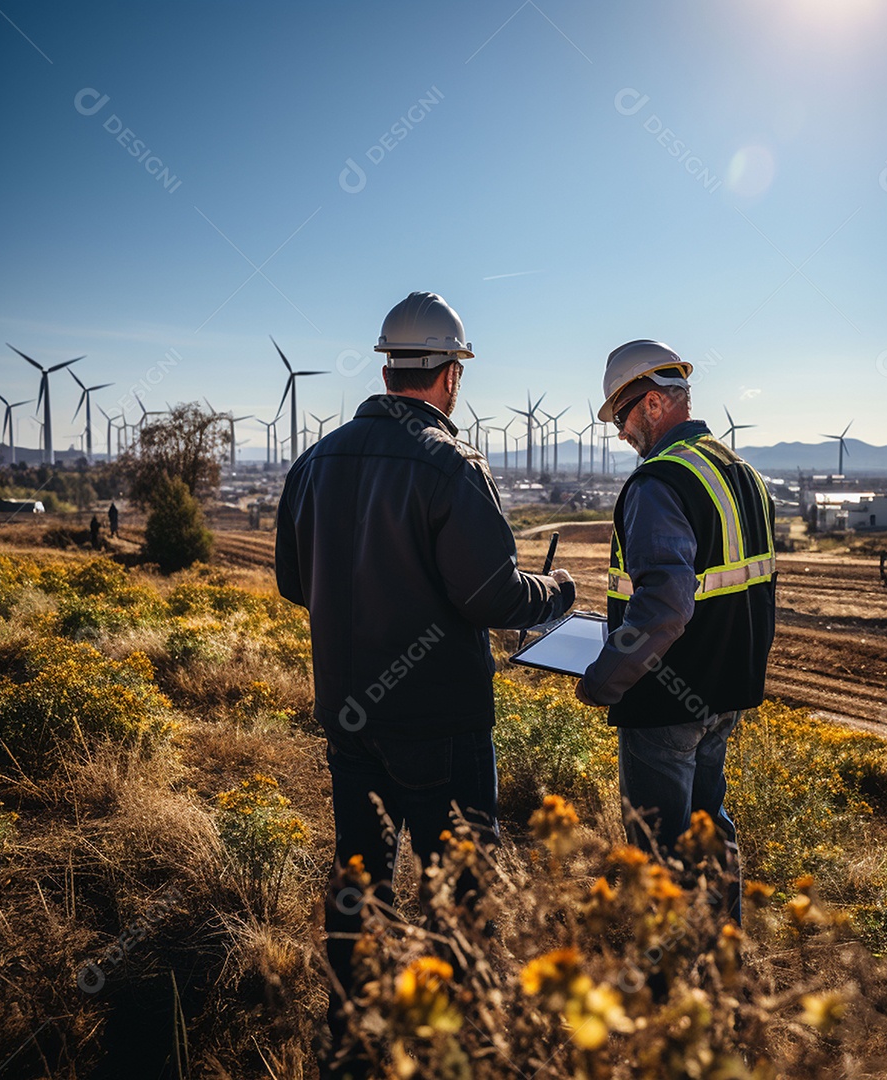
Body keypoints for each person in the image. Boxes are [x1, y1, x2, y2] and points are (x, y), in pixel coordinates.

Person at [275, 291, 576, 1077]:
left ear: (386, 365)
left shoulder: (316, 459)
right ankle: (462, 1044)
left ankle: (351, 1036)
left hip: (348, 716)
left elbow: (292, 580)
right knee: (463, 889)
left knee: (359, 878)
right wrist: (561, 591)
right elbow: (493, 597)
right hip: (439, 720)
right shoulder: (451, 465)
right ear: (449, 375)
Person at [574, 340, 776, 925]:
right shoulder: (741, 471)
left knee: (659, 853)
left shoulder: (658, 482)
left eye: (621, 416)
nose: (618, 434)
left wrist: (606, 679)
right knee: (708, 831)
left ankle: (667, 993)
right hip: (724, 691)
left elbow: (663, 606)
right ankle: (721, 965)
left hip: (665, 698)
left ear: (656, 402)